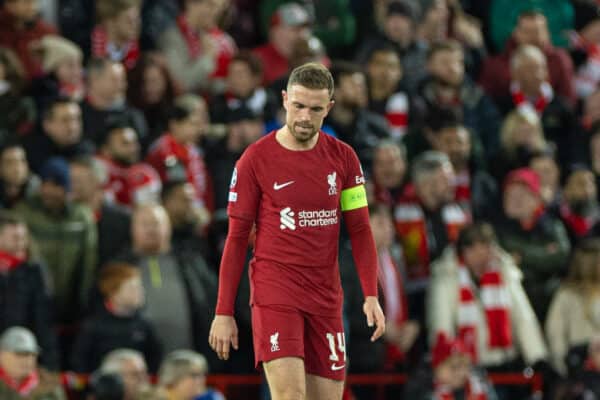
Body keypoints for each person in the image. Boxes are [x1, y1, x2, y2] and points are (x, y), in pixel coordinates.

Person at [208, 62, 385, 399]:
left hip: (326, 295)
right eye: (299, 105)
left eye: (315, 109)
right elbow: (235, 239)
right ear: (285, 99)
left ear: (329, 108)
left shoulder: (345, 159)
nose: (305, 116)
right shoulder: (254, 160)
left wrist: (371, 294)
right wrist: (223, 312)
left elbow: (361, 229)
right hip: (276, 292)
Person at [71, 263, 162, 374]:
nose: (140, 292)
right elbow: (80, 364)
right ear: (113, 292)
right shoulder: (93, 326)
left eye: (140, 287)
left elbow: (155, 360)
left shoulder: (145, 325)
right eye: (132, 288)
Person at [0, 326, 66, 399]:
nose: (27, 359)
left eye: (32, 354)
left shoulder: (51, 385)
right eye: (19, 354)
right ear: (2, 354)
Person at [158, 350, 224, 400]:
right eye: (194, 375)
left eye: (203, 374)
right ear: (173, 377)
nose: (202, 379)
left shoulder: (211, 397)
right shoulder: (155, 397)